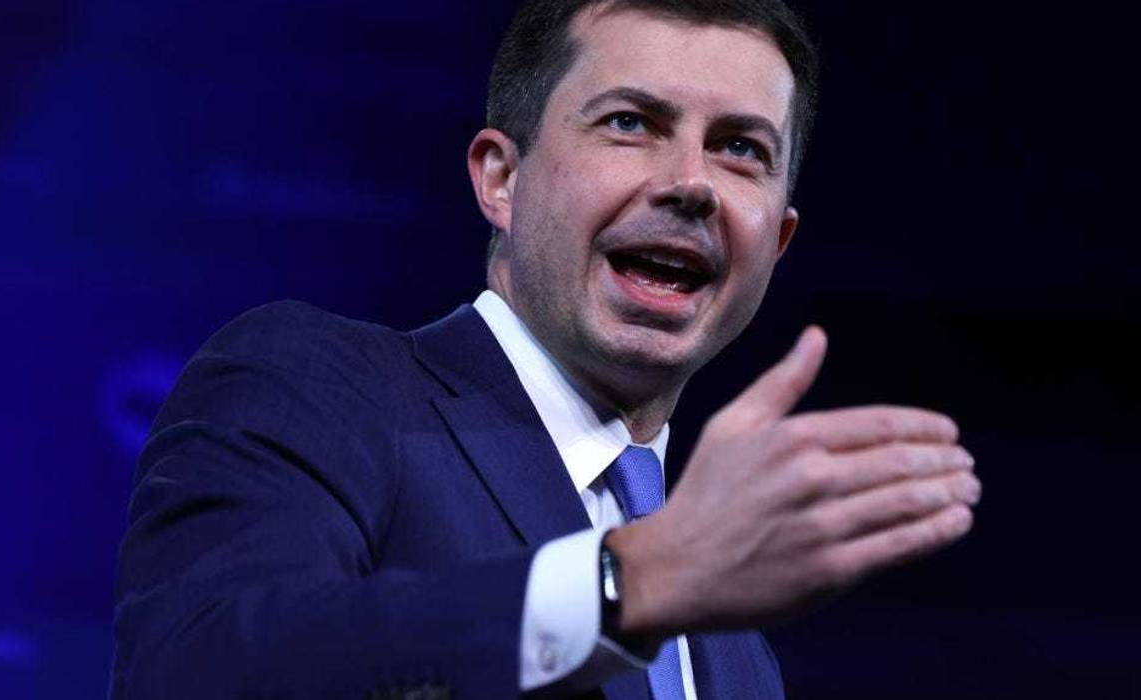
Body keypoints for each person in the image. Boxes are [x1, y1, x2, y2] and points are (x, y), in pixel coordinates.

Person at [110, 0, 980, 698]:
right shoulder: (319, 383)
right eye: (631, 123)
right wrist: (631, 582)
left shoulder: (736, 653)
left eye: (740, 148)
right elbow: (198, 671)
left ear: (778, 241)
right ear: (501, 177)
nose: (689, 183)